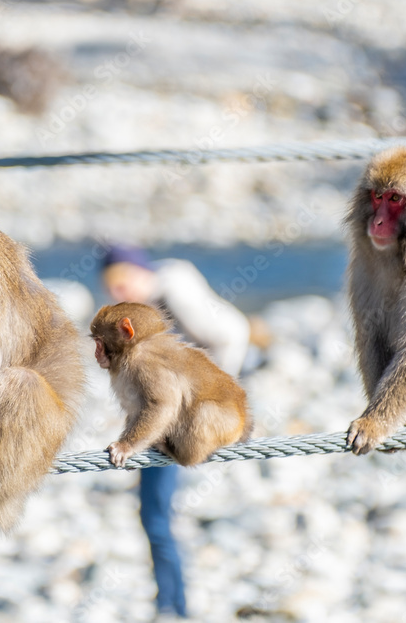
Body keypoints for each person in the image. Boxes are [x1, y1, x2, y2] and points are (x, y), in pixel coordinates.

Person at [101, 245, 251, 619]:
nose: (118, 293)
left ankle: (175, 606)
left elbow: (233, 333)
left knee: (157, 515)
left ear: (139, 271)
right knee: (155, 514)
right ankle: (170, 601)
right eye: (110, 286)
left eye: (121, 282)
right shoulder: (138, 313)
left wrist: (205, 389)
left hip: (194, 414)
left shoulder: (175, 293)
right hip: (167, 417)